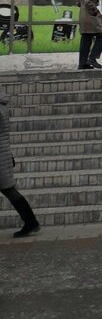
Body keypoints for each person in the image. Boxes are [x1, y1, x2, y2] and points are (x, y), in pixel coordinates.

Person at [0, 89, 40, 238]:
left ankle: (31, 222)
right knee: (9, 190)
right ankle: (31, 222)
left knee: (9, 190)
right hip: (3, 153)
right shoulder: (2, 105)